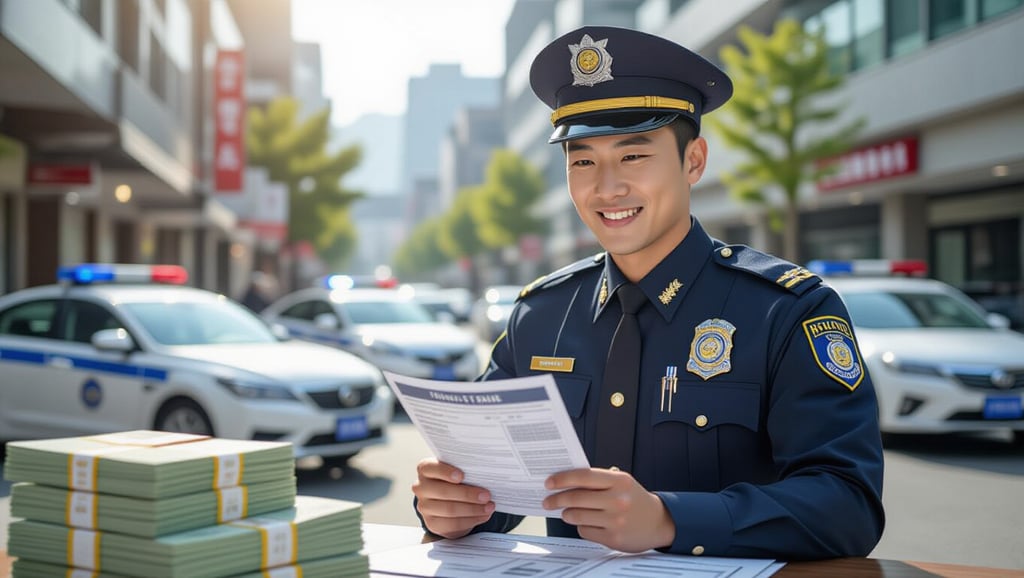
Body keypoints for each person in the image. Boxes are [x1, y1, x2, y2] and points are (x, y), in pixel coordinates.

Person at [412, 25, 885, 560]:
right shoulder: (540, 316)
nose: (606, 187)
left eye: (633, 156)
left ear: (694, 161)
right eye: (582, 161)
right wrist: (451, 507)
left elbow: (849, 504)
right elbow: (489, 488)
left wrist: (669, 519)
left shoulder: (786, 311)